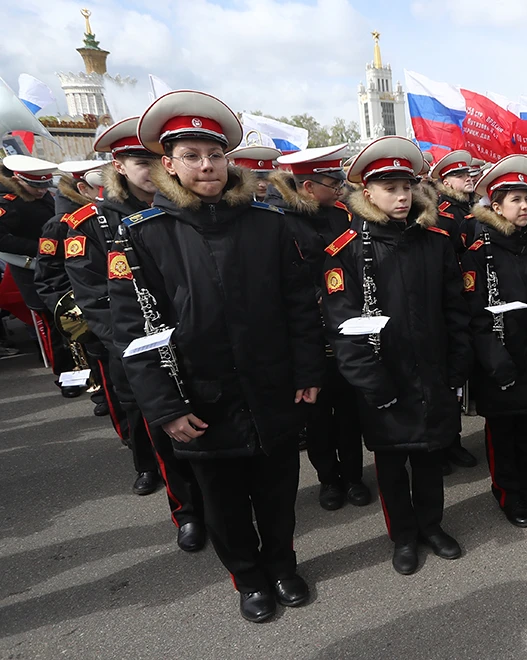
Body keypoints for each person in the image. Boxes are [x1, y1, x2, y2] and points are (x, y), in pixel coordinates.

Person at [107, 90, 325, 623]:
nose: (206, 166)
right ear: (169, 164)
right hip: (201, 396)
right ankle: (249, 579)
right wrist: (163, 406)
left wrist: (308, 370)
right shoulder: (143, 235)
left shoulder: (268, 224)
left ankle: (282, 566)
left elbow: (299, 306)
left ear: (228, 160)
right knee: (224, 504)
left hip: (271, 386)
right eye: (192, 155)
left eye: (215, 154)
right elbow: (135, 330)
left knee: (277, 491)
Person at [321, 136, 471, 575]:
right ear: (367, 193)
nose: (402, 197)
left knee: (429, 456)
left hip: (431, 372)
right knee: (391, 464)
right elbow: (342, 325)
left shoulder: (436, 240)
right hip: (384, 376)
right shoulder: (346, 248)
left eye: (407, 186)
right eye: (389, 188)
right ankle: (403, 536)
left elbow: (453, 308)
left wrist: (457, 364)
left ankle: (431, 525)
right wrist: (370, 381)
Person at [68, 116, 205, 544]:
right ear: (119, 166)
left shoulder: (191, 210)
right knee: (163, 432)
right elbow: (94, 298)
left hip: (196, 346)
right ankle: (187, 512)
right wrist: (138, 347)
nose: (149, 169)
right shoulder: (92, 222)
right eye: (137, 160)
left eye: (154, 159)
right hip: (139, 349)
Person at [266, 145, 372, 511]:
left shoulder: (344, 214)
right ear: (309, 187)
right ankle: (329, 479)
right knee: (317, 413)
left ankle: (355, 477)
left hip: (344, 323)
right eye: (333, 181)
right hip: (305, 329)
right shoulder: (276, 220)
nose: (342, 186)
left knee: (349, 409)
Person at [462, 155, 527, 528]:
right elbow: (474, 312)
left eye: (526, 197)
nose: (524, 206)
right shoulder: (481, 252)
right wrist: (493, 357)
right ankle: (507, 492)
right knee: (503, 432)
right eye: (514, 199)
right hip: (500, 356)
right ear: (496, 205)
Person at [0, 154, 83, 396]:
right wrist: (41, 246)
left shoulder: (46, 196)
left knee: (72, 322)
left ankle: (82, 370)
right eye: (35, 185)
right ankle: (66, 377)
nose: (41, 191)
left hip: (59, 267)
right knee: (51, 329)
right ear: (18, 180)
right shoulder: (7, 203)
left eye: (44, 185)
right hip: (32, 273)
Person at [33, 160, 110, 417]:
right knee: (79, 350)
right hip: (76, 303)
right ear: (83, 189)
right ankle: (96, 392)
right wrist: (66, 307)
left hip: (95, 297)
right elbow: (47, 274)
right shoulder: (60, 224)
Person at [428, 149, 485, 470]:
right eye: (461, 175)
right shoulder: (445, 214)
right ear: (446, 180)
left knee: (463, 370)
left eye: (470, 174)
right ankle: (447, 443)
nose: (469, 178)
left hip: (472, 296)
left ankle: (453, 438)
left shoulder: (472, 208)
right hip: (455, 296)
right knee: (450, 379)